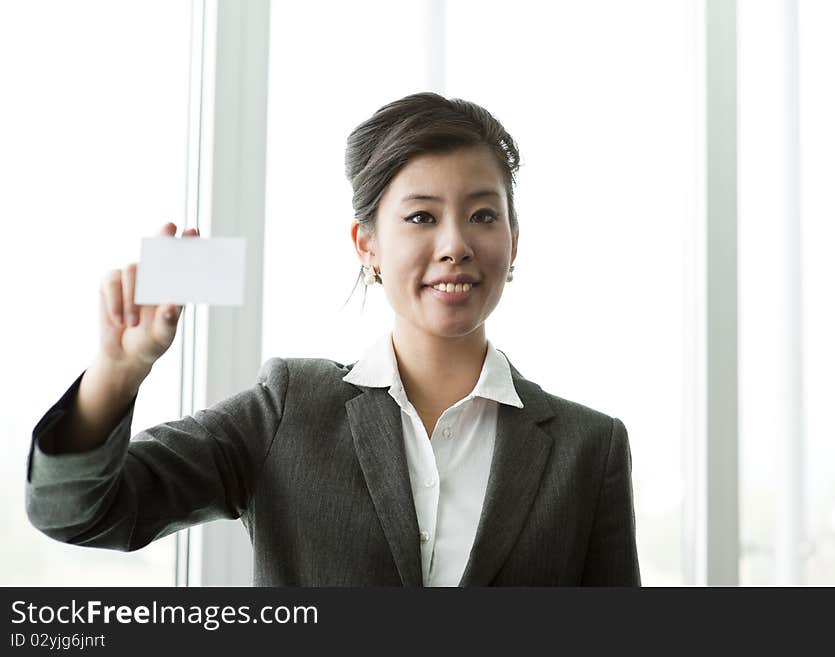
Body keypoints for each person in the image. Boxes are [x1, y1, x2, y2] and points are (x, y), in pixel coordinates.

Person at [25, 92, 640, 586]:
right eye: (421, 216)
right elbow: (76, 511)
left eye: (483, 215)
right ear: (367, 246)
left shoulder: (590, 449)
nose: (455, 244)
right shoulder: (287, 409)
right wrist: (116, 375)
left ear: (514, 241)